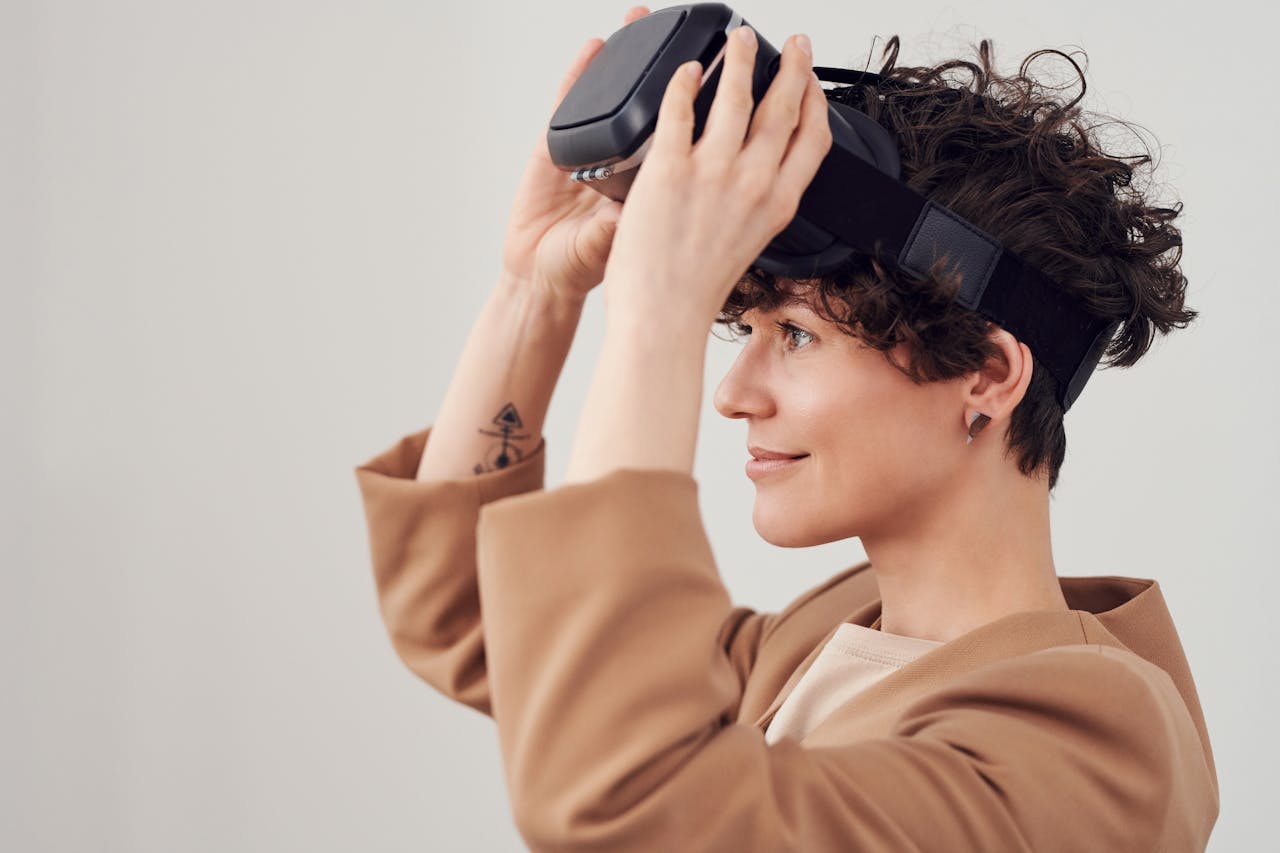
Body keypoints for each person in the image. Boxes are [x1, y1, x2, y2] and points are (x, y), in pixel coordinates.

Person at [354, 6, 1218, 850]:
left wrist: (661, 311)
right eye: (752, 329)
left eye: (797, 334)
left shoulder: (1095, 747)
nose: (731, 392)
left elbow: (629, 802)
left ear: (987, 374)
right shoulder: (831, 638)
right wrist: (533, 291)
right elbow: (477, 610)